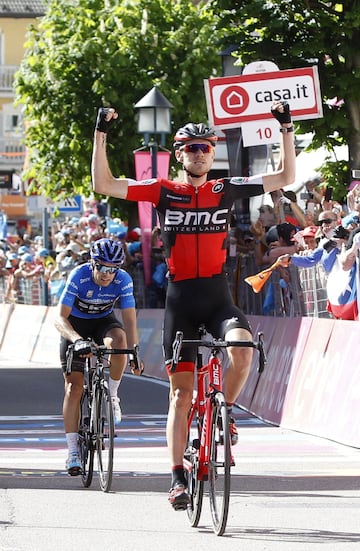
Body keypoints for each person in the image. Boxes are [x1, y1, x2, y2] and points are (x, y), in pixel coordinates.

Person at [91, 101, 296, 509]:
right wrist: (101, 135)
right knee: (180, 396)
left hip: (218, 297)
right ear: (181, 154)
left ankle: (227, 410)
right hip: (180, 301)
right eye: (192, 148)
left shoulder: (226, 188)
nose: (201, 153)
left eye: (207, 148)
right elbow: (105, 183)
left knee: (242, 350)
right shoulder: (164, 190)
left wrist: (286, 128)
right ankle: (177, 477)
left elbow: (287, 176)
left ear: (212, 153)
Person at [54, 238, 141, 476]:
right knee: (74, 387)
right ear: (93, 264)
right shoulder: (78, 276)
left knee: (119, 342)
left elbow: (130, 319)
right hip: (75, 326)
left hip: (103, 322)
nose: (107, 274)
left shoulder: (123, 280)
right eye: (102, 267)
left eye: (113, 269)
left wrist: (134, 351)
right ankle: (72, 451)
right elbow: (59, 317)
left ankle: (112, 394)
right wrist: (76, 340)